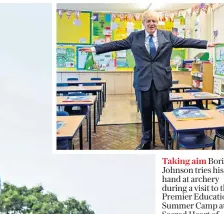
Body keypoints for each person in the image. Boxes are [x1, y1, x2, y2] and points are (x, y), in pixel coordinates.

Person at [82, 10, 214, 150]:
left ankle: (166, 139)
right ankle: (146, 140)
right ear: (143, 22)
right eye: (149, 21)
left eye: (154, 21)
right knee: (145, 113)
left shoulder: (168, 36)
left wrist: (205, 44)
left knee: (163, 113)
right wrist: (94, 49)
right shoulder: (134, 37)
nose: (152, 24)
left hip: (162, 81)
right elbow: (116, 44)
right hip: (142, 81)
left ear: (158, 22)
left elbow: (186, 41)